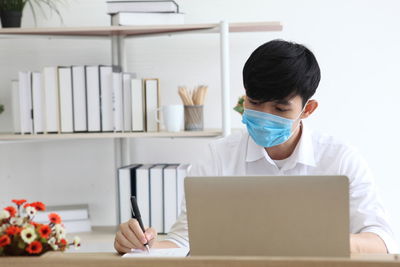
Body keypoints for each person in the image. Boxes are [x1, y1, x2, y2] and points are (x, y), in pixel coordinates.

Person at [114, 39, 398, 254]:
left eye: (280, 108)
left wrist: (319, 241)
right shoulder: (216, 156)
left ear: (308, 109)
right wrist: (141, 245)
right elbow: (185, 240)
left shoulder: (340, 159)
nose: (265, 116)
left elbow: (381, 240)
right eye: (255, 102)